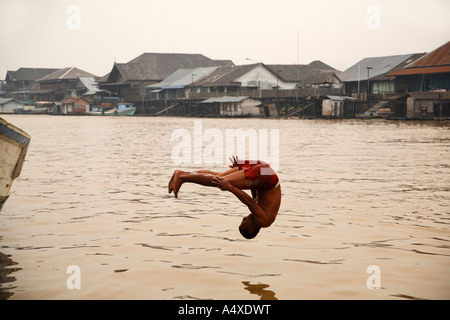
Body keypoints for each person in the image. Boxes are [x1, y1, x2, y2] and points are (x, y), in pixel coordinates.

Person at [168, 156, 281, 239]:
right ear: (251, 229)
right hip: (267, 176)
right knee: (221, 182)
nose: (244, 218)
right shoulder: (264, 222)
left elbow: (253, 187)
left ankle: (183, 173)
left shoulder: (262, 212)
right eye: (244, 222)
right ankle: (182, 177)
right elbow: (250, 202)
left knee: (219, 177)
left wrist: (242, 170)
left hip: (265, 169)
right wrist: (230, 187)